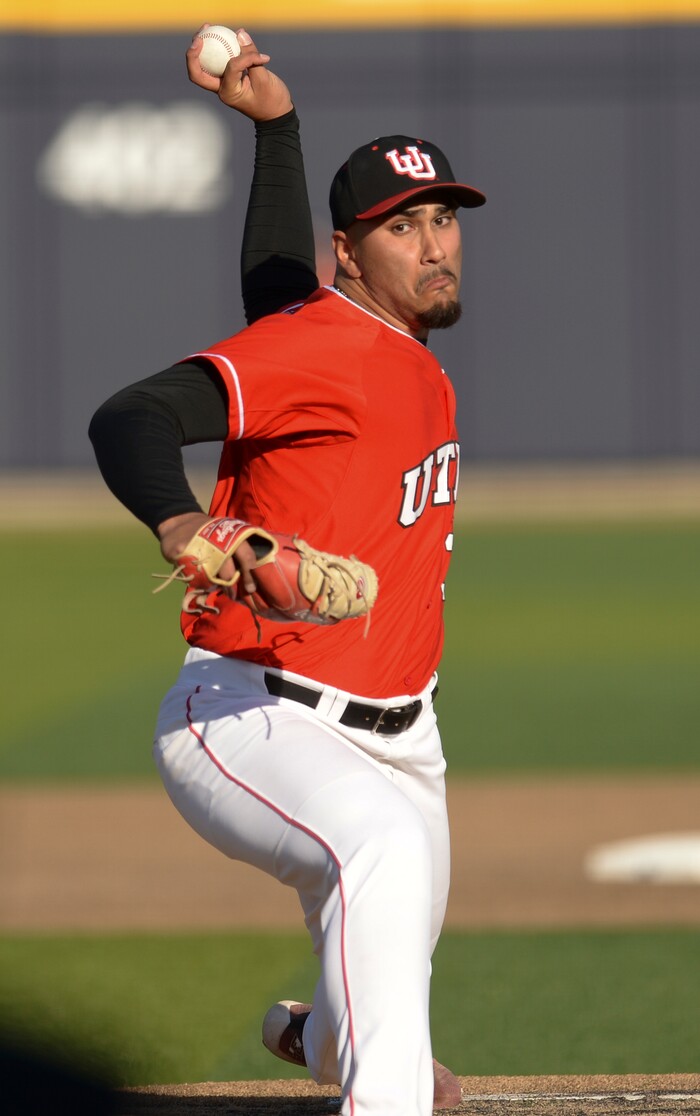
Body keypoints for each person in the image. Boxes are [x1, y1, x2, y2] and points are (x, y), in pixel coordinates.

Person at [89, 26, 486, 1116]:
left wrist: (277, 129)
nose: (436, 245)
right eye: (402, 228)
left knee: (382, 993)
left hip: (409, 735)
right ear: (348, 254)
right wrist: (179, 524)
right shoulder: (326, 345)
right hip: (253, 713)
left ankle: (321, 1037)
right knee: (382, 857)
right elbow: (131, 416)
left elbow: (277, 307)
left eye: (443, 219)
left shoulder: (389, 350)